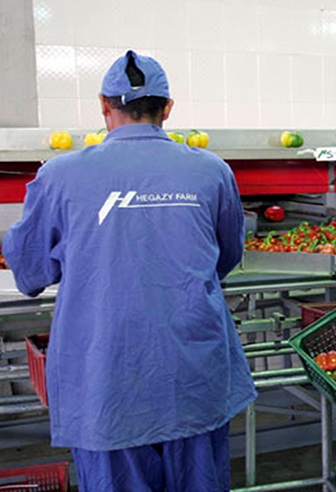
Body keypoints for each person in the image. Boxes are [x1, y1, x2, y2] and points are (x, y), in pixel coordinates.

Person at [3, 51, 256, 491]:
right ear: (168, 108)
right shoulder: (212, 171)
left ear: (104, 105)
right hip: (192, 370)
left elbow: (30, 271)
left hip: (106, 378)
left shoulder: (59, 175)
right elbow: (226, 257)